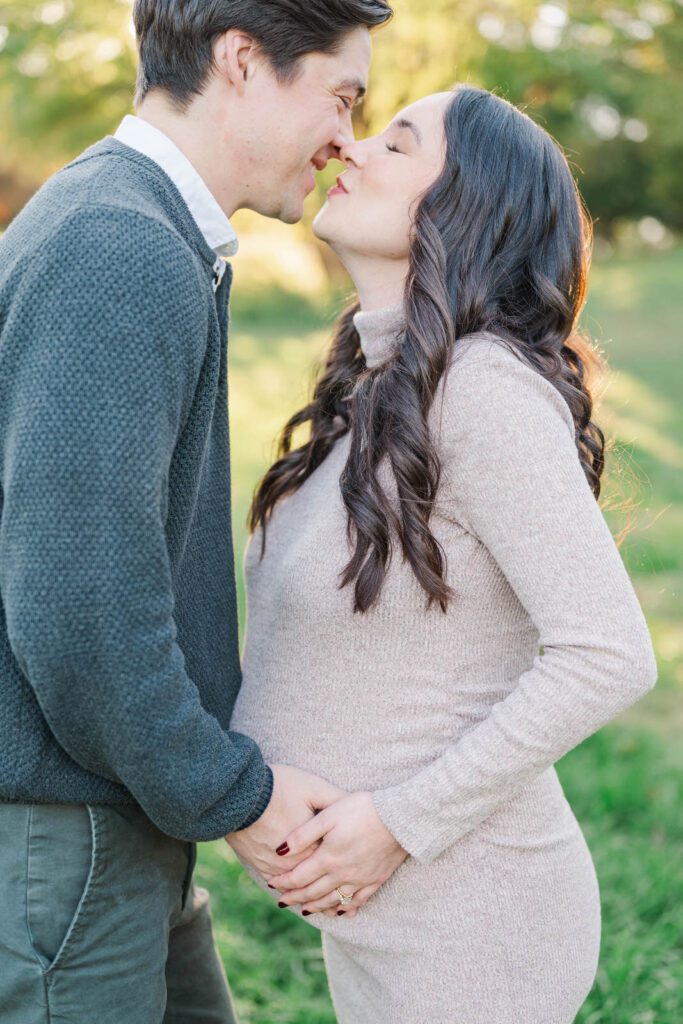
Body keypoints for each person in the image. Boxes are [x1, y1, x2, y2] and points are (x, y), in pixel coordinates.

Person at [230, 85, 658, 1023]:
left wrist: (395, 823)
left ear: (467, 203)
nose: (352, 145)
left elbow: (608, 654)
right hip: (376, 916)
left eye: (398, 141)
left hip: (473, 926)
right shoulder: (370, 392)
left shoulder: (481, 390)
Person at [0, 2, 393, 1022]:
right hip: (67, 836)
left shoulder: (140, 228)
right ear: (241, 60)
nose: (345, 137)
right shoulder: (117, 247)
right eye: (341, 95)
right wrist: (235, 794)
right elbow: (82, 608)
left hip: (114, 813)